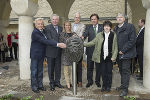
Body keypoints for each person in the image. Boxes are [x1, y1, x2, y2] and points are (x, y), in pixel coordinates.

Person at [30, 18, 66, 93]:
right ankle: (34, 87)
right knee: (34, 72)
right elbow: (45, 41)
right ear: (35, 25)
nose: (40, 25)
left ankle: (40, 85)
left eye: (41, 24)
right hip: (35, 55)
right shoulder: (35, 32)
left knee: (40, 71)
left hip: (41, 55)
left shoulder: (42, 31)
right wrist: (57, 44)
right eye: (38, 24)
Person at [84, 21, 118, 92]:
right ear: (103, 27)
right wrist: (83, 44)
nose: (106, 27)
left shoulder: (113, 35)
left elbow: (115, 47)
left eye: (108, 26)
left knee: (109, 72)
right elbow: (93, 42)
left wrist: (114, 56)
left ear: (110, 27)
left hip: (110, 57)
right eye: (105, 26)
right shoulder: (99, 34)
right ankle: (104, 86)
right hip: (101, 57)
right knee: (103, 72)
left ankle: (108, 86)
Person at [114, 13, 137, 97]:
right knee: (121, 70)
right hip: (118, 54)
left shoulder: (130, 27)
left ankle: (125, 89)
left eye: (121, 17)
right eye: (118, 17)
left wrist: (123, 50)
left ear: (124, 19)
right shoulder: (115, 28)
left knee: (125, 71)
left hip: (126, 53)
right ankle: (123, 85)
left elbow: (132, 40)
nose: (119, 19)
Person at [82, 13, 103, 88]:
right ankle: (89, 81)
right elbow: (84, 35)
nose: (93, 20)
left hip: (99, 51)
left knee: (98, 67)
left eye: (95, 19)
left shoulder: (102, 27)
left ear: (97, 20)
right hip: (90, 50)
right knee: (89, 67)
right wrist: (81, 38)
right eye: (92, 19)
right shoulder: (88, 27)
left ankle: (97, 81)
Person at [45, 14, 64, 91]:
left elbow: (62, 38)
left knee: (58, 68)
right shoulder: (47, 28)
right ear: (51, 20)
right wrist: (59, 44)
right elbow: (49, 39)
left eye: (56, 19)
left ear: (58, 20)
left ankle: (57, 82)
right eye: (53, 19)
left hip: (59, 52)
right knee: (51, 69)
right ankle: (52, 83)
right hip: (50, 52)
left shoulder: (61, 28)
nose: (55, 21)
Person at [59, 21, 76, 89]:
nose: (68, 26)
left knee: (72, 69)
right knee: (66, 70)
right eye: (66, 25)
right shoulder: (62, 34)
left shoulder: (73, 34)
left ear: (70, 26)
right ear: (64, 26)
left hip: (72, 54)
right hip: (65, 53)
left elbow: (76, 42)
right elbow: (61, 43)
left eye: (69, 25)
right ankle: (68, 84)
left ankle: (72, 82)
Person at [72, 12, 85, 87]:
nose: (77, 19)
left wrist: (73, 35)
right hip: (71, 48)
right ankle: (74, 81)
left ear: (80, 19)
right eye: (76, 17)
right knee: (73, 65)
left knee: (79, 65)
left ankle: (79, 81)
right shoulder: (71, 25)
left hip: (79, 48)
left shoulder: (83, 25)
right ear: (74, 18)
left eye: (78, 17)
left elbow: (80, 35)